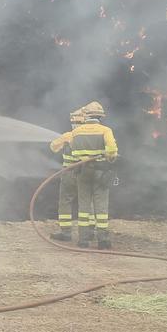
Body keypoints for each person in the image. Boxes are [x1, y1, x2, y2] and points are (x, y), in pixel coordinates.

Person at [70, 101, 118, 249]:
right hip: (100, 171)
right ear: (100, 117)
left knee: (84, 204)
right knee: (101, 204)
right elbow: (111, 151)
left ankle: (83, 240)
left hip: (82, 172)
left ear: (86, 116)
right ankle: (102, 240)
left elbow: (73, 152)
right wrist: (111, 157)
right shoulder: (105, 130)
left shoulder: (76, 132)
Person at [47, 108, 86, 242]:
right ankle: (89, 233)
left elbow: (53, 147)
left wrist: (64, 141)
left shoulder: (68, 135)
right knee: (87, 202)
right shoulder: (92, 136)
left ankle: (66, 232)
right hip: (86, 174)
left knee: (65, 200)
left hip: (69, 174)